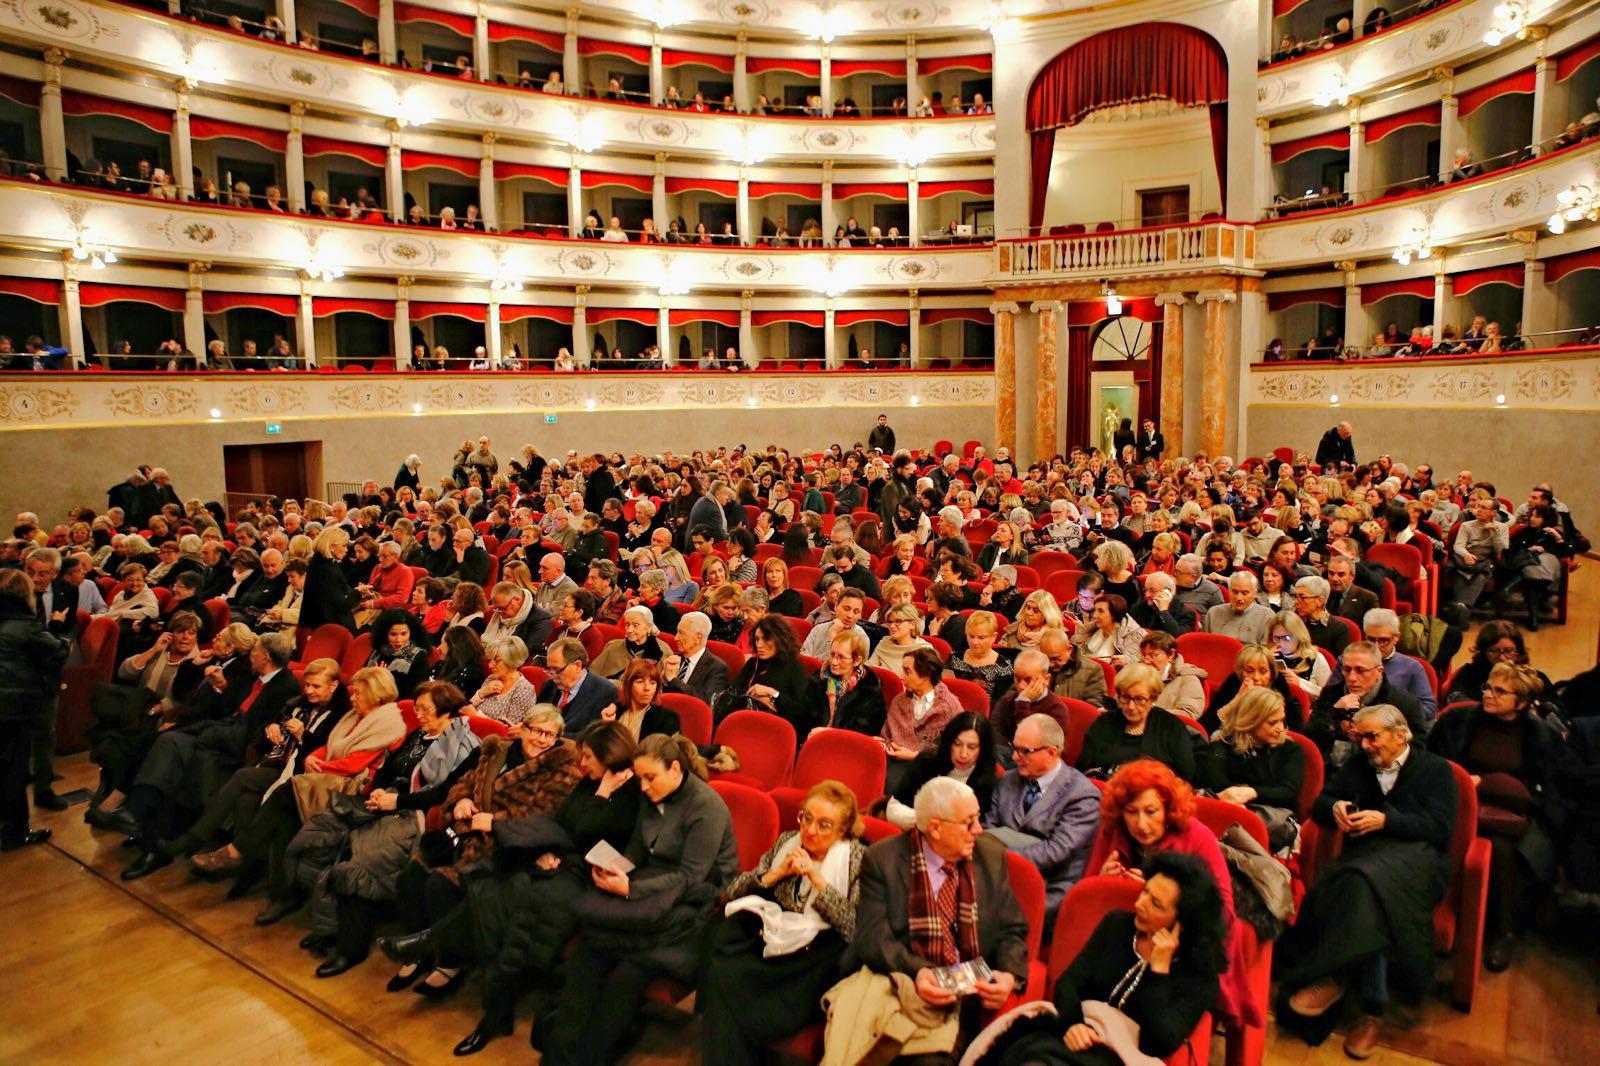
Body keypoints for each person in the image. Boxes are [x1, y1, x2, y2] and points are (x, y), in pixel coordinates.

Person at [536, 734, 739, 1066]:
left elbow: (692, 877)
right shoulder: (651, 795)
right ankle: (559, 1053)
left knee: (627, 975)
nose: (642, 787)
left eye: (650, 777)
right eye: (640, 777)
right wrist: (615, 869)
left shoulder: (707, 807)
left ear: (675, 769)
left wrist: (630, 888)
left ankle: (588, 1057)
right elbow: (636, 850)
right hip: (648, 892)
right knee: (590, 950)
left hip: (692, 906)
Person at [345, 703, 581, 985]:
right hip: (461, 834)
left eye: (550, 735)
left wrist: (492, 820)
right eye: (536, 731)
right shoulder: (496, 751)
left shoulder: (562, 773)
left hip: (501, 846)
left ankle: (450, 962)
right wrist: (461, 801)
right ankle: (417, 953)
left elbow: (541, 819)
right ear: (523, 729)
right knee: (411, 876)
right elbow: (461, 784)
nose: (542, 740)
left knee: (441, 885)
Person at [1278, 705, 1457, 1059]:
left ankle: (1335, 975)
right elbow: (1321, 801)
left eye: (1372, 737)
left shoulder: (1436, 770)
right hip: (1368, 857)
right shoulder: (1360, 764)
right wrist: (1337, 807)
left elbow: (1440, 828)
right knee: (1366, 887)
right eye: (1360, 738)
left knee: (1363, 882)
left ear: (1400, 734)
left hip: (1419, 860)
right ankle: (1372, 1007)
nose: (1365, 746)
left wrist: (1387, 821)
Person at [828, 776, 1029, 1062]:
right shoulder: (883, 859)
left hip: (963, 994)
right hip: (899, 981)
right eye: (969, 822)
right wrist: (920, 972)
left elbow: (1012, 929)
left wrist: (1009, 976)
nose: (979, 829)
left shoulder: (990, 855)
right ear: (935, 828)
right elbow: (872, 938)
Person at [980, 851, 1226, 1066]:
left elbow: (1156, 1045)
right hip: (1074, 1032)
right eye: (1145, 891)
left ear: (1183, 922)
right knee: (1031, 1056)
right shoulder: (1117, 924)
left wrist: (1158, 971)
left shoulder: (1200, 977)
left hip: (1120, 1057)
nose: (1140, 904)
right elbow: (1069, 983)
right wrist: (1073, 1025)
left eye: (1156, 904)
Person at [702, 780, 869, 1065]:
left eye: (824, 825)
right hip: (775, 932)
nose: (810, 831)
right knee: (721, 936)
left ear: (843, 830)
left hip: (818, 949)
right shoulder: (788, 841)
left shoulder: (859, 858)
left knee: (735, 998)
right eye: (807, 818)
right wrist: (776, 873)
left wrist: (817, 881)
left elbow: (855, 927)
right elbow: (731, 892)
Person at [1086, 758, 1256, 1027]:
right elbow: (1084, 898)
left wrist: (1159, 895)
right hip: (1120, 945)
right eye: (1131, 811)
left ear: (1168, 808)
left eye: (1151, 811)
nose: (1141, 824)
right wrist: (1103, 885)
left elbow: (1220, 914)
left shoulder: (1197, 837)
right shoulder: (1113, 830)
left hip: (1178, 958)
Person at [1425, 663, 1568, 972]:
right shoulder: (1458, 720)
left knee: (1501, 846)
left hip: (1515, 814)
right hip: (1458, 803)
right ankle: (1442, 915)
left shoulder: (1542, 735)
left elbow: (1553, 790)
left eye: (1499, 691)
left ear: (1522, 702)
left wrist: (1498, 788)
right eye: (1488, 687)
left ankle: (1503, 931)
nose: (1488, 694)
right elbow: (1432, 762)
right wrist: (1465, 783)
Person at [984, 713, 1101, 916]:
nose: (1014, 757)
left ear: (1051, 752)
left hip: (1049, 889)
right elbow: (987, 829)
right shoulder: (1009, 780)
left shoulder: (1083, 796)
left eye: (1024, 751)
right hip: (997, 878)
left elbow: (1055, 852)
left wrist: (997, 855)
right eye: (1014, 748)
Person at [0, 569, 68, 849]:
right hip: (14, 707)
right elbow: (57, 653)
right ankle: (16, 832)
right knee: (15, 769)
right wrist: (60, 631)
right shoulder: (26, 625)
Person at [1203, 686, 1305, 851]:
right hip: (1228, 820)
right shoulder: (1221, 749)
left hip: (1274, 827)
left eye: (1282, 720)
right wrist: (1238, 807)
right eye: (1272, 722)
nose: (1280, 728)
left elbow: (1288, 792)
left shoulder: (1291, 750)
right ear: (1250, 721)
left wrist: (1251, 792)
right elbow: (1217, 786)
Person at [1077, 664, 1198, 782]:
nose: (1131, 706)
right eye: (1125, 697)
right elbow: (1084, 768)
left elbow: (1186, 778)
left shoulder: (1171, 727)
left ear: (1153, 698)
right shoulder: (1105, 722)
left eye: (1139, 699)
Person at [1307, 641, 1424, 761]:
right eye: (1347, 669)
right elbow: (1310, 742)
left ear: (1379, 671)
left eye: (1361, 670)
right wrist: (1333, 714)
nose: (1352, 678)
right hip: (1332, 772)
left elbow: (1416, 752)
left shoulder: (1403, 703)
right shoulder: (1330, 695)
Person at [882, 647, 964, 787]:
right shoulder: (899, 701)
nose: (901, 676)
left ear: (926, 674)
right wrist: (885, 745)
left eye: (907, 671)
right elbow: (886, 734)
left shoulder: (949, 707)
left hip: (933, 771)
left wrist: (914, 755)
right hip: (894, 762)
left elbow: (955, 751)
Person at [730, 614, 822, 737]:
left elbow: (801, 711)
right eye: (757, 639)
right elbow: (731, 693)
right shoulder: (753, 663)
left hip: (776, 732)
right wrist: (754, 697)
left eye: (766, 639)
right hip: (745, 724)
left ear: (780, 639)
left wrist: (773, 694)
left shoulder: (793, 667)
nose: (759, 645)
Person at [813, 629, 887, 737]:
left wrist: (830, 733)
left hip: (849, 745)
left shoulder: (870, 689)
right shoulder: (819, 678)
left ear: (857, 660)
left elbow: (866, 730)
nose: (834, 662)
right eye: (832, 655)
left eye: (841, 657)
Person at [661, 610, 731, 705]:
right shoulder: (674, 659)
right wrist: (663, 679)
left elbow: (706, 701)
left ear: (698, 638)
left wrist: (674, 680)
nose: (675, 638)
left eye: (681, 633)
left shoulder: (717, 667)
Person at [1138, 631, 1206, 719]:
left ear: (1171, 655)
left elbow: (1189, 714)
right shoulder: (1134, 673)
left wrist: (1152, 714)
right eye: (1144, 655)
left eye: (1153, 655)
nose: (1146, 661)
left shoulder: (1188, 677)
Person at [1205, 570, 1274, 645]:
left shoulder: (1267, 616)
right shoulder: (1213, 613)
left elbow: (1266, 652)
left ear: (1255, 594)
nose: (1239, 598)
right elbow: (1203, 645)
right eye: (1234, 592)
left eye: (1245, 593)